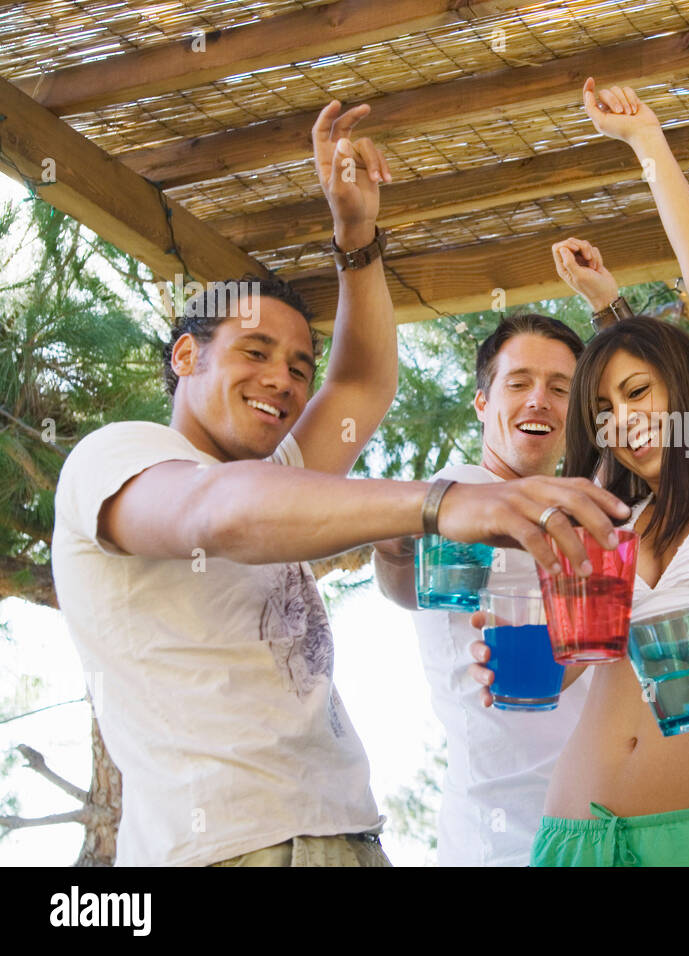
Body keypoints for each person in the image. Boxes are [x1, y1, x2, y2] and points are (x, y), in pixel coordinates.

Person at [51, 101, 629, 867]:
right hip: (230, 846)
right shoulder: (121, 454)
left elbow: (359, 384)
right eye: (255, 353)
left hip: (344, 834)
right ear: (186, 358)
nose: (283, 382)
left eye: (296, 365)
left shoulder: (274, 475)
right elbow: (214, 512)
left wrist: (356, 240)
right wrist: (441, 503)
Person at [471, 84, 689, 866]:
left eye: (637, 396)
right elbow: (566, 678)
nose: (623, 423)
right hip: (573, 834)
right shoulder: (617, 523)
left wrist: (647, 144)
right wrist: (537, 664)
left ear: (683, 392)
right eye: (603, 412)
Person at [372, 313, 596, 866]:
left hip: (599, 829)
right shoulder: (458, 496)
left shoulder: (589, 511)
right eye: (518, 383)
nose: (539, 399)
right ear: (481, 403)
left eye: (560, 388)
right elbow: (404, 581)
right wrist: (398, 542)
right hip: (498, 842)